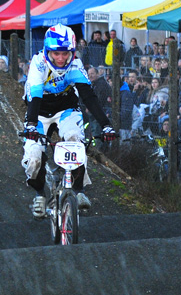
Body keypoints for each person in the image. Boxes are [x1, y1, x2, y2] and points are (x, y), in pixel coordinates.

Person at [21, 25, 117, 218]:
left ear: (72, 52)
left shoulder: (75, 64)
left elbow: (88, 96)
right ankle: (40, 194)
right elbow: (35, 96)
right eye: (56, 53)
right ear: (48, 51)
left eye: (65, 53)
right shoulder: (38, 63)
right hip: (38, 111)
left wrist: (106, 124)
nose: (61, 58)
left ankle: (79, 190)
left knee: (75, 142)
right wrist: (31, 124)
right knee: (34, 158)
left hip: (66, 109)